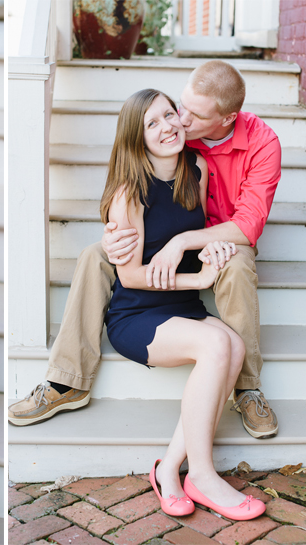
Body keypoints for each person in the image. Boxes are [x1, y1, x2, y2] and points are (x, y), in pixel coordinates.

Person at [9, 60, 281, 440]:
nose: (181, 120)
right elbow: (137, 172)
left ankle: (248, 386)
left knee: (236, 266)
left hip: (222, 236)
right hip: (172, 233)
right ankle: (67, 380)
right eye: (179, 106)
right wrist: (115, 234)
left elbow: (248, 225)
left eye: (192, 114)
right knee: (94, 254)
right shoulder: (178, 131)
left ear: (226, 119)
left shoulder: (262, 144)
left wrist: (182, 243)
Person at [102, 88, 265, 520]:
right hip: (136, 314)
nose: (166, 127)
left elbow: (202, 230)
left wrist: (211, 252)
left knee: (234, 344)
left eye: (169, 115)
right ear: (137, 138)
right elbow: (130, 275)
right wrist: (200, 277)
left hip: (182, 306)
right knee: (216, 347)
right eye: (151, 124)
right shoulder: (129, 193)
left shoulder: (198, 168)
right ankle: (205, 475)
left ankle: (171, 469)